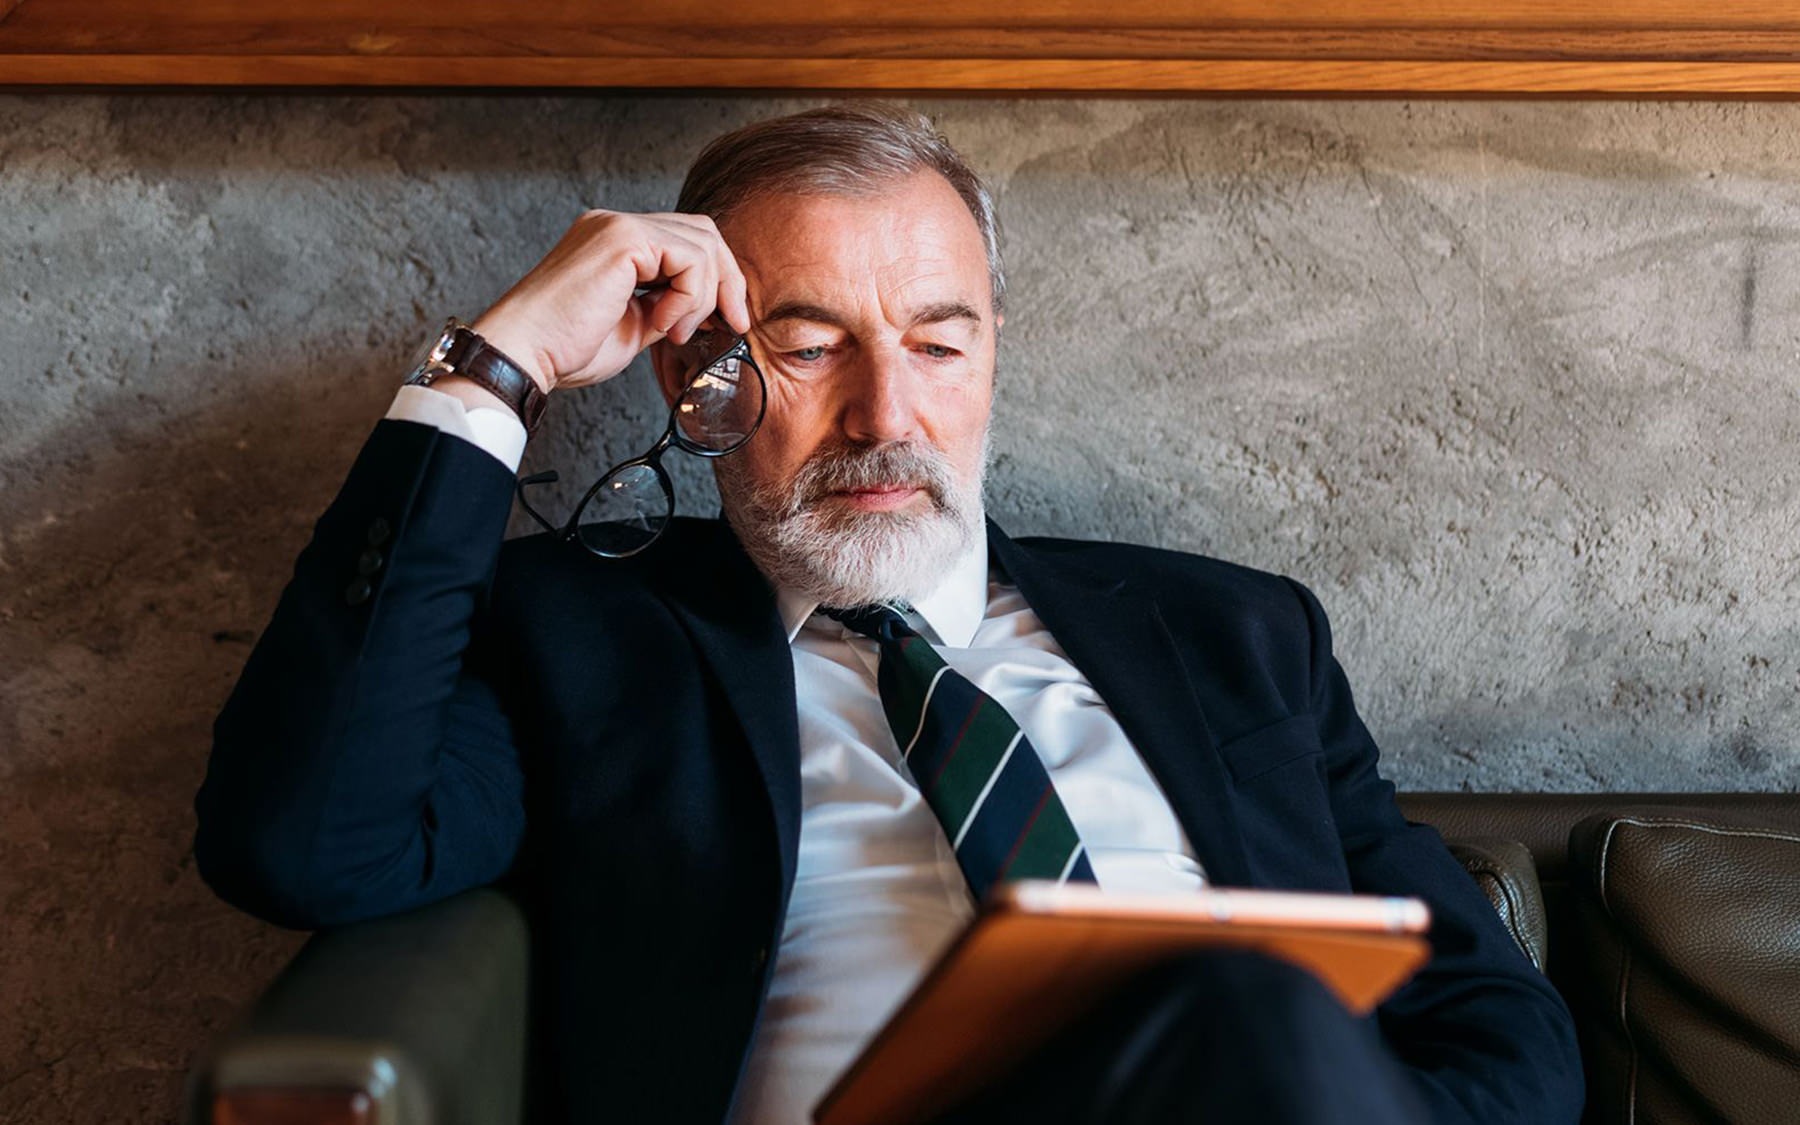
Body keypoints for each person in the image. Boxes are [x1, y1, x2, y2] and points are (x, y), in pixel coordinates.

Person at [195, 102, 1583, 1124]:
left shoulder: (1239, 637)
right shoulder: (583, 633)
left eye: (937, 341)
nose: (885, 414)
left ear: (993, 356)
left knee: (1234, 1003)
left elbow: (1500, 1029)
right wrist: (496, 370)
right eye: (808, 347)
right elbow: (303, 844)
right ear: (695, 374)